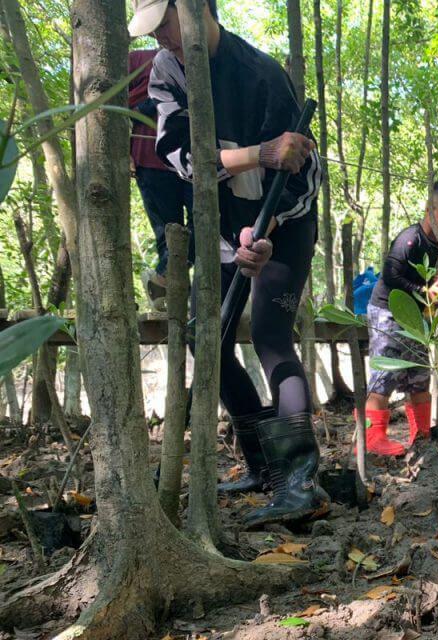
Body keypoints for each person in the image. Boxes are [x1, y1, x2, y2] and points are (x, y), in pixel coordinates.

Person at [131, 0, 327, 527]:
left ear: (195, 9)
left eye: (165, 24)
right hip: (220, 224)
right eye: (152, 32)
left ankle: (301, 482)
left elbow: (300, 174)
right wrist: (258, 153)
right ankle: (264, 467)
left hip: (284, 222)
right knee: (207, 340)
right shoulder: (166, 69)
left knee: (269, 335)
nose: (162, 38)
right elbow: (182, 157)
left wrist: (266, 233)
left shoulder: (261, 74)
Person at [360, 179, 438, 457]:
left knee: (420, 376)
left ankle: (421, 433)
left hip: (416, 320)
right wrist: (424, 290)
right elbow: (390, 275)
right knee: (384, 375)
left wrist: (434, 298)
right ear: (430, 209)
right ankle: (373, 437)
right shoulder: (410, 239)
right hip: (388, 312)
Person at [129, 48, 193, 306]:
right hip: (149, 159)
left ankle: (162, 279)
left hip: (194, 159)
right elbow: (109, 107)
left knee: (209, 223)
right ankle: (173, 295)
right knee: (167, 234)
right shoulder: (136, 60)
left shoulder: (205, 55)